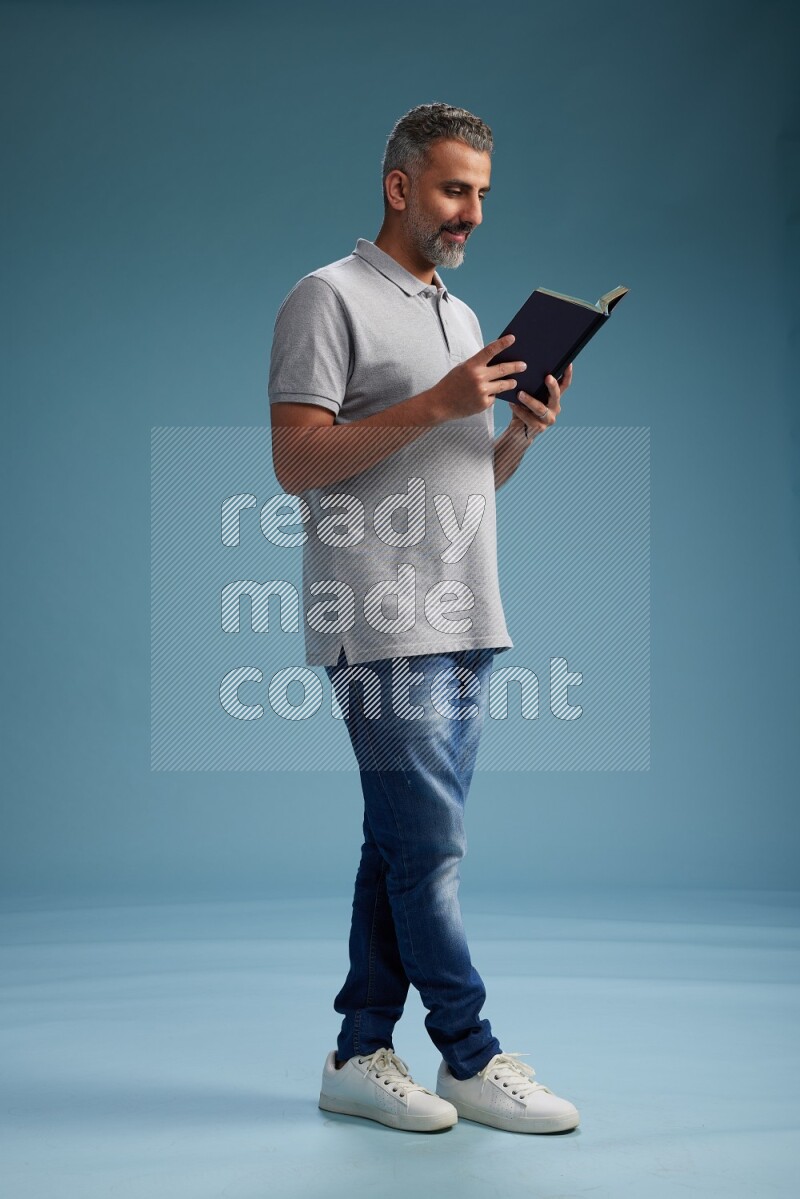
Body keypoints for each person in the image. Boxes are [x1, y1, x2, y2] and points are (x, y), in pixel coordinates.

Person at [268, 102, 579, 1135]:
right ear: (398, 186)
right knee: (431, 850)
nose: (471, 212)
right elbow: (296, 459)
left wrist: (517, 434)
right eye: (453, 189)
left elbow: (461, 481)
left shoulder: (461, 314)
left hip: (466, 615)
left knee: (400, 845)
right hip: (378, 616)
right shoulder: (326, 298)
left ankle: (358, 1051)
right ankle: (470, 1052)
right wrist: (438, 403)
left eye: (481, 193)